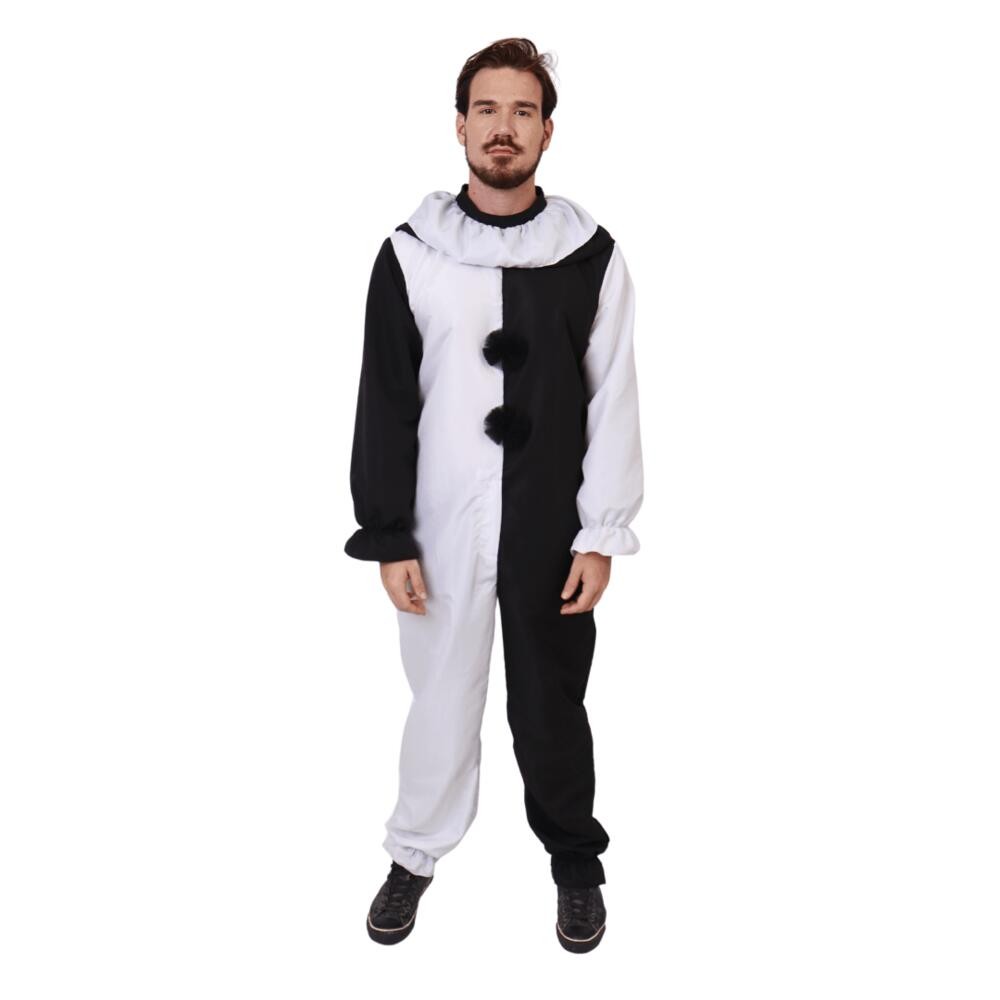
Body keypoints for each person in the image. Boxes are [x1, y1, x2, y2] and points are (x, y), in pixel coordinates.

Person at [345, 37, 643, 953]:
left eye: (521, 111)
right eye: (486, 110)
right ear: (460, 125)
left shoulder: (590, 256)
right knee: (439, 695)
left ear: (547, 130)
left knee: (552, 701)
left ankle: (575, 866)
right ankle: (413, 855)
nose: (502, 127)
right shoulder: (411, 254)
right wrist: (389, 534)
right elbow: (385, 401)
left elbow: (614, 397)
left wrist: (600, 533)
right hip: (440, 522)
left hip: (552, 522)